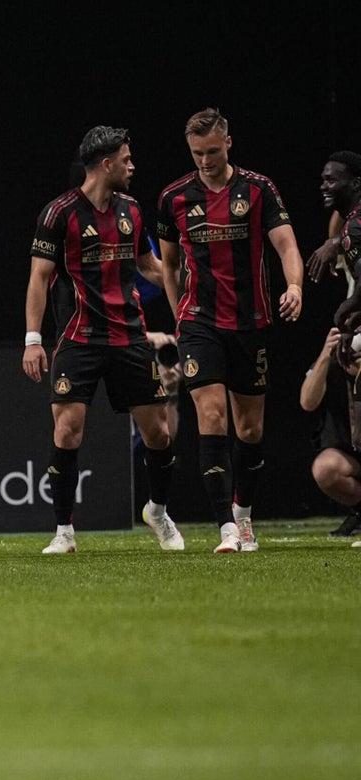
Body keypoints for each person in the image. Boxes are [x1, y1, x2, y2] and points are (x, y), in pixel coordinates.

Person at [24, 126, 183, 554]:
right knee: (68, 430)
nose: (132, 166)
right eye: (126, 159)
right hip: (79, 338)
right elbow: (39, 280)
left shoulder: (132, 210)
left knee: (159, 434)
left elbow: (150, 266)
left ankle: (158, 510)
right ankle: (64, 532)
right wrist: (33, 339)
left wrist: (185, 290)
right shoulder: (59, 214)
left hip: (129, 336)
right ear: (106, 164)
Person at [157, 108, 304, 553]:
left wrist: (294, 284)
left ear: (229, 143)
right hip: (199, 322)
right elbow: (169, 265)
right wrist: (178, 315)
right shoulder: (174, 197)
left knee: (250, 427)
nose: (205, 160)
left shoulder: (259, 190)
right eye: (197, 153)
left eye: (213, 151)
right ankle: (224, 527)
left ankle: (243, 514)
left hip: (250, 322)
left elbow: (287, 244)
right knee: (212, 414)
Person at [301, 327, 361, 541]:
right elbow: (307, 402)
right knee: (326, 467)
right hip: (352, 455)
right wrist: (325, 355)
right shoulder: (335, 365)